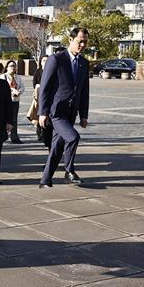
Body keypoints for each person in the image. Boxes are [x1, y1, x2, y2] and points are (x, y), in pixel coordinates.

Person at [39, 28, 91, 189]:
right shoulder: (56, 59)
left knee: (57, 147)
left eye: (85, 42)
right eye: (79, 41)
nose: (82, 44)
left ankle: (45, 181)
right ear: (70, 40)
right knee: (73, 137)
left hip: (71, 112)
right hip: (56, 112)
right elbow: (45, 88)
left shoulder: (84, 63)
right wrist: (42, 112)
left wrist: (83, 115)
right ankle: (69, 171)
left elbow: (84, 91)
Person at [28, 55, 52, 148]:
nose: (45, 62)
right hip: (39, 97)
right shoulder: (38, 71)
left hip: (49, 99)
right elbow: (35, 83)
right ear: (41, 62)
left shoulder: (51, 70)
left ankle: (46, 136)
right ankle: (39, 133)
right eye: (44, 60)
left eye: (47, 60)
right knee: (38, 116)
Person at [0, 60, 25, 144]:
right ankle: (2, 135)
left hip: (15, 101)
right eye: (11, 66)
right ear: (7, 67)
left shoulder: (18, 77)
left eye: (14, 66)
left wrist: (18, 92)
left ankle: (14, 137)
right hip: (6, 101)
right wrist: (12, 91)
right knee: (4, 118)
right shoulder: (3, 76)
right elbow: (3, 87)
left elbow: (22, 87)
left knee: (14, 119)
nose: (13, 67)